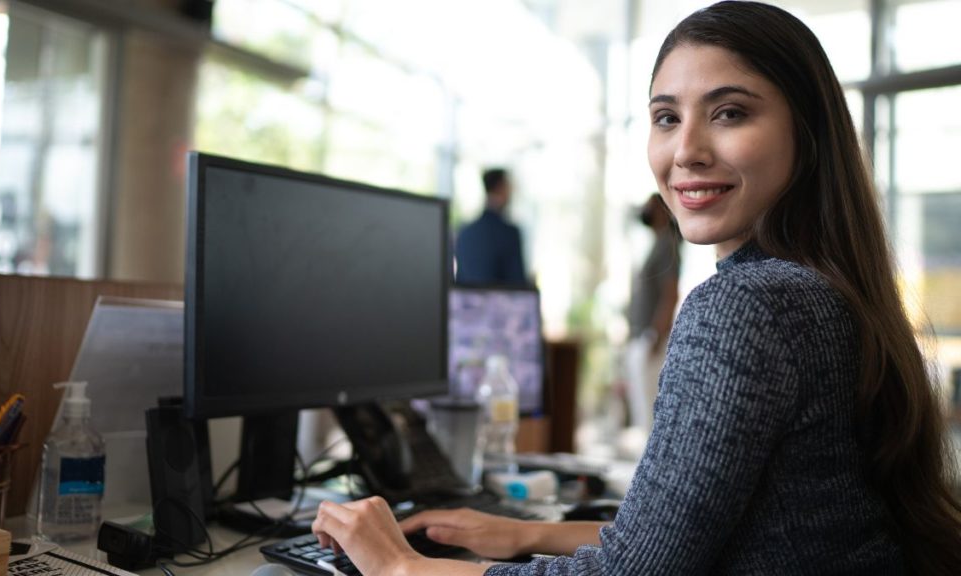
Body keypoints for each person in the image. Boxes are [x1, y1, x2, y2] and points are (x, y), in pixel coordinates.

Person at [311, 3, 961, 575]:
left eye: (729, 113)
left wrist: (398, 566)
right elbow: (690, 536)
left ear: (808, 133)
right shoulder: (825, 287)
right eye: (665, 117)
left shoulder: (748, 304)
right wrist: (525, 533)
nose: (687, 150)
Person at [624, 193, 681, 433]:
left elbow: (670, 294)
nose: (645, 210)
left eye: (651, 206)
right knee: (641, 408)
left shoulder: (668, 244)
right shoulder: (657, 243)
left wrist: (656, 337)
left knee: (648, 410)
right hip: (641, 335)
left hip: (650, 338)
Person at [454, 168, 528, 286]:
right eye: (509, 186)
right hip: (499, 303)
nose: (512, 192)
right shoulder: (509, 233)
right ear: (500, 187)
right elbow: (517, 283)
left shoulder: (464, 231)